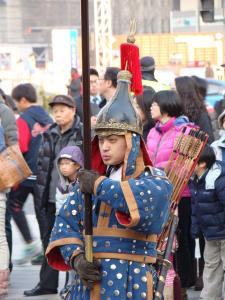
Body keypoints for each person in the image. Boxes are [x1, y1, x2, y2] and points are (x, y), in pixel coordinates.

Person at [46, 70, 173, 299]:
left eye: (112, 140)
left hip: (133, 282)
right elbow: (64, 224)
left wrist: (98, 186)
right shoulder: (89, 182)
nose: (104, 147)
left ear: (130, 142)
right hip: (90, 283)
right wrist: (76, 258)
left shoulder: (154, 180)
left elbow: (143, 207)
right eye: (101, 140)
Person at [24, 95, 83, 296]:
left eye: (62, 110)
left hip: (71, 197)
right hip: (49, 196)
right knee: (48, 241)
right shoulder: (49, 133)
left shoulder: (82, 133)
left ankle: (71, 284)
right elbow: (42, 166)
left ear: (73, 110)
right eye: (55, 111)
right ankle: (47, 283)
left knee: (71, 241)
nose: (58, 114)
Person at [146, 90, 195, 299]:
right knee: (162, 243)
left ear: (166, 105)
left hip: (180, 195)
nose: (150, 107)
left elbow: (186, 164)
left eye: (154, 104)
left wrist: (163, 170)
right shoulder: (152, 132)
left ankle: (181, 286)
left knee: (181, 242)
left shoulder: (185, 131)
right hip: (157, 194)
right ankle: (162, 283)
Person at [8, 83, 53, 265]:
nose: (17, 106)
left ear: (23, 100)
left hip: (28, 174)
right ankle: (46, 249)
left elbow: (22, 147)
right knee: (43, 213)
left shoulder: (23, 119)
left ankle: (30, 244)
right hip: (46, 173)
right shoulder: (47, 117)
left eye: (17, 102)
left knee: (14, 205)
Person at [189, 145, 225, 300]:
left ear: (202, 163)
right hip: (210, 234)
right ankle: (210, 297)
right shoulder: (195, 180)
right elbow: (195, 208)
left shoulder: (218, 179)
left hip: (223, 232)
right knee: (211, 266)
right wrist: (195, 229)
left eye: (191, 159)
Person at [55, 145, 84, 298]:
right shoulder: (62, 186)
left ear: (78, 164)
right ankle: (70, 287)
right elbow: (59, 208)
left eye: (67, 163)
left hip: (81, 229)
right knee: (70, 259)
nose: (63, 167)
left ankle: (74, 288)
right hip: (68, 228)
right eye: (61, 163)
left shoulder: (83, 182)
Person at [0, 93, 18, 296]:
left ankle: (2, 282)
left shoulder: (3, 112)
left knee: (0, 235)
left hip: (1, 182)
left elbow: (10, 145)